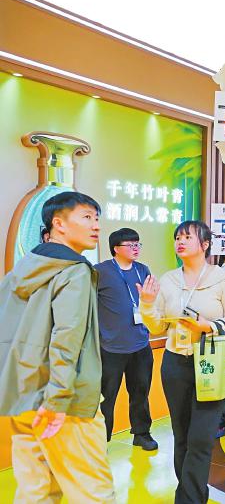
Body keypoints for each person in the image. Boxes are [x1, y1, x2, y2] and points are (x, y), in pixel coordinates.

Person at [0, 192, 115, 503]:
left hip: (23, 396)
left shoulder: (21, 270)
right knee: (93, 492)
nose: (96, 226)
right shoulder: (74, 270)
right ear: (58, 223)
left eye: (97, 219)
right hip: (64, 403)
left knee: (36, 491)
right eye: (87, 217)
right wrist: (57, 400)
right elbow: (67, 338)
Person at [138, 220, 225, 504]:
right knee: (182, 436)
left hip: (211, 363)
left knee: (200, 438)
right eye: (177, 238)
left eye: (187, 237)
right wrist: (146, 303)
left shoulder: (223, 279)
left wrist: (207, 326)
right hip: (175, 363)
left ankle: (187, 499)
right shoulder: (168, 280)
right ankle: (192, 495)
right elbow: (157, 326)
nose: (180, 242)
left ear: (205, 244)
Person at [94, 228, 157, 449]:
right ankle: (100, 440)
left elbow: (150, 301)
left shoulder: (143, 270)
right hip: (110, 347)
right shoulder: (100, 271)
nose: (136, 248)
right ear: (116, 248)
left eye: (137, 244)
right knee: (106, 397)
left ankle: (142, 434)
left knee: (140, 392)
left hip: (140, 344)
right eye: (130, 245)